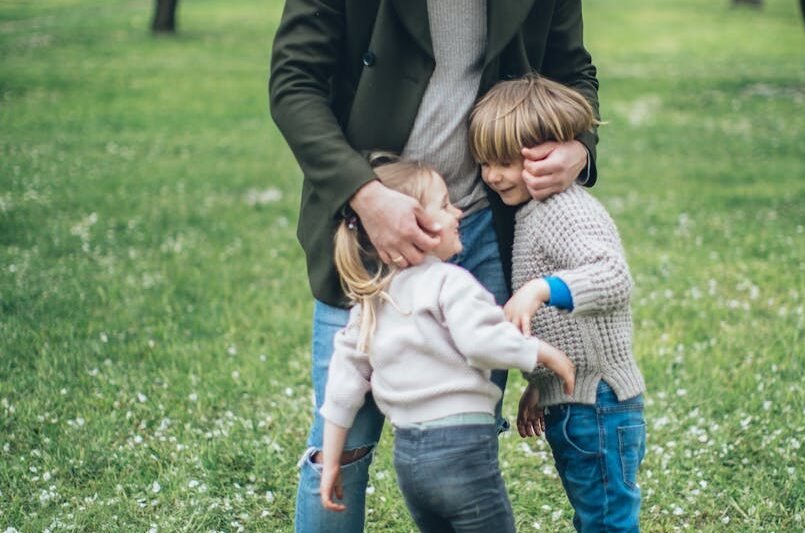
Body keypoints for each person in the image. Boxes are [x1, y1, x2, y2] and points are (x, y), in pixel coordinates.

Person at [269, 1, 600, 530]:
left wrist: (579, 147)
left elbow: (573, 71)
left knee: (467, 437)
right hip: (365, 222)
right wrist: (365, 195)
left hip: (474, 228)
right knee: (343, 444)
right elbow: (293, 84)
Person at [317, 156, 576, 533]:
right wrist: (543, 353)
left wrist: (331, 460)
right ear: (412, 226)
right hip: (462, 451)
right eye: (444, 204)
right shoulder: (448, 282)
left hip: (409, 460)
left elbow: (341, 387)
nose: (457, 212)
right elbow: (479, 341)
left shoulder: (371, 303)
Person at [469, 75, 647, 532]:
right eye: (484, 163)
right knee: (594, 512)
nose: (492, 176)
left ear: (545, 153)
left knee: (607, 519)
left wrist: (540, 288)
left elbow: (613, 277)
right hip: (574, 400)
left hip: (601, 404)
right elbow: (559, 334)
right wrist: (540, 383)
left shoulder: (567, 209)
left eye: (505, 162)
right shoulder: (531, 212)